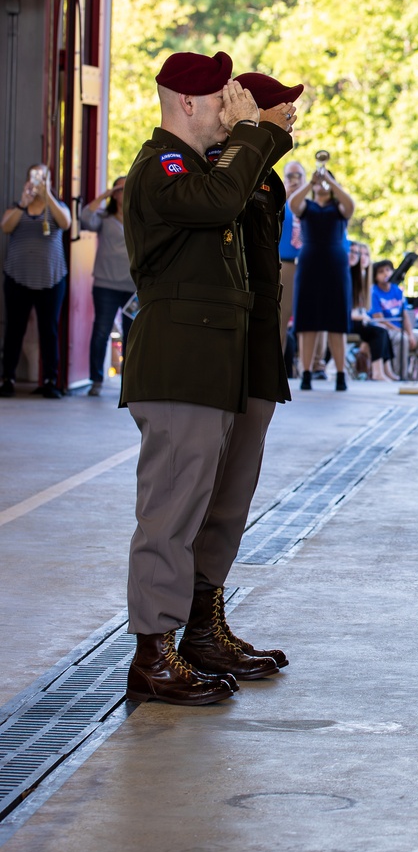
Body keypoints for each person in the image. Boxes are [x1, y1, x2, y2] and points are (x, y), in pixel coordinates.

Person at [120, 50, 294, 707]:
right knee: (169, 513)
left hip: (212, 366)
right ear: (186, 104)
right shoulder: (162, 168)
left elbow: (234, 201)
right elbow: (223, 198)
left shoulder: (199, 169)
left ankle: (193, 630)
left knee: (208, 505)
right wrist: (257, 134)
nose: (233, 107)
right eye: (222, 98)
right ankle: (152, 652)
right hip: (178, 367)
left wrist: (252, 140)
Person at [176, 70, 302, 683]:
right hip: (220, 351)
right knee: (198, 497)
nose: (291, 117)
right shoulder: (226, 169)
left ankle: (206, 624)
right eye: (281, 108)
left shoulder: (263, 175)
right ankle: (174, 636)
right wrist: (255, 141)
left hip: (255, 352)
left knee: (233, 498)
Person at [1, 164, 72, 397]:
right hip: (18, 277)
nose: (39, 181)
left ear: (50, 180)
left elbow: (66, 224)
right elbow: (6, 227)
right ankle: (7, 378)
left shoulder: (57, 206)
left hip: (51, 278)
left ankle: (51, 380)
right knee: (14, 329)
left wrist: (48, 195)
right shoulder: (17, 206)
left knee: (49, 329)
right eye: (35, 176)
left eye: (44, 177)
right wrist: (24, 201)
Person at [288, 160, 355, 392]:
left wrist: (331, 182)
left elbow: (350, 204)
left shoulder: (339, 209)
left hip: (336, 266)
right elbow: (293, 203)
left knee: (336, 321)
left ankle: (340, 373)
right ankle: (306, 372)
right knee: (307, 320)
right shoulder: (307, 207)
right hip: (309, 264)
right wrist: (311, 182)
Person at [79, 177, 135, 397]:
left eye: (126, 187)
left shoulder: (139, 216)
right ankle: (96, 380)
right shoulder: (103, 217)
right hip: (105, 285)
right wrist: (104, 195)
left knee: (133, 335)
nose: (123, 192)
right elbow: (85, 218)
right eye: (119, 189)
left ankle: (129, 384)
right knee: (102, 331)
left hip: (132, 287)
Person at [370, 258, 418, 380]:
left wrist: (410, 334)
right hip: (386, 330)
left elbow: (405, 315)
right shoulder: (373, 292)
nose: (386, 273)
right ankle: (400, 377)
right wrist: (401, 332)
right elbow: (379, 319)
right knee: (402, 339)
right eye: (381, 271)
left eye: (388, 270)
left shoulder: (397, 290)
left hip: (402, 331)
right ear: (375, 276)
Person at [349, 240, 395, 380]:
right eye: (359, 254)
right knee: (378, 331)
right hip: (348, 320)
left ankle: (387, 370)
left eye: (366, 254)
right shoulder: (350, 276)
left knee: (382, 330)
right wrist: (362, 317)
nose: (363, 257)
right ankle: (377, 372)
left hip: (359, 319)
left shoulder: (365, 279)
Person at [278, 160, 306, 375]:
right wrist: (286, 193)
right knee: (281, 318)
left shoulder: (311, 203)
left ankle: (310, 367)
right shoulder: (280, 200)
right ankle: (277, 365)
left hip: (308, 265)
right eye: (290, 176)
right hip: (285, 265)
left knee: (310, 320)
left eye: (299, 176)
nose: (295, 181)